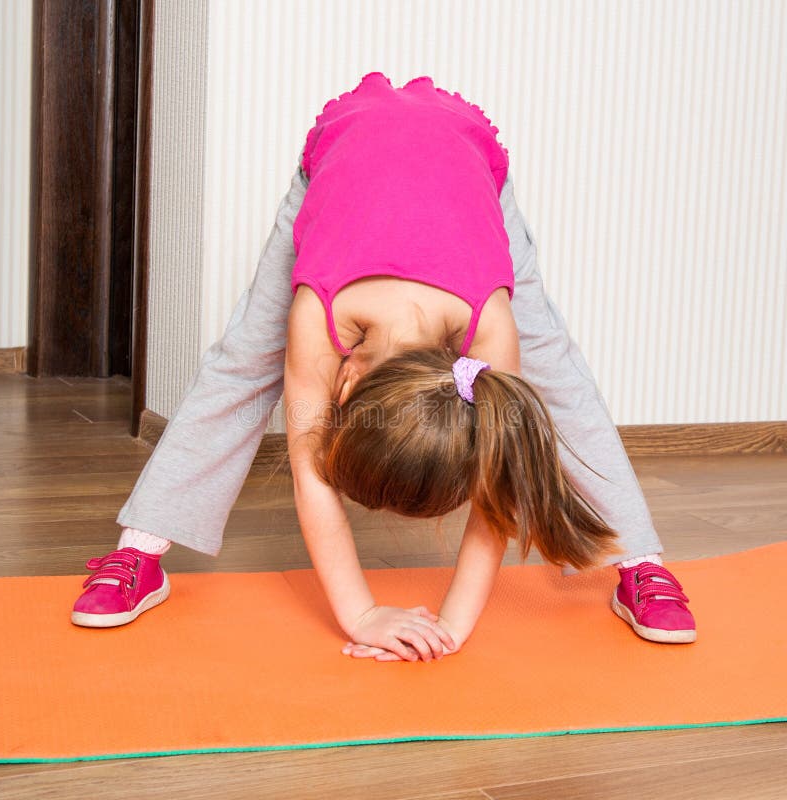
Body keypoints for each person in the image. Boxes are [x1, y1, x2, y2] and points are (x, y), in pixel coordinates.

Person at [71, 72, 695, 657]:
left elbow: (500, 486)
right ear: (347, 384)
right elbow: (310, 473)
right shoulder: (318, 313)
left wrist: (454, 624)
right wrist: (361, 615)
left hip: (468, 169)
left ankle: (640, 561)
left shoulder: (489, 325)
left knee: (553, 374)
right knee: (242, 359)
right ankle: (140, 552)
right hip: (343, 156)